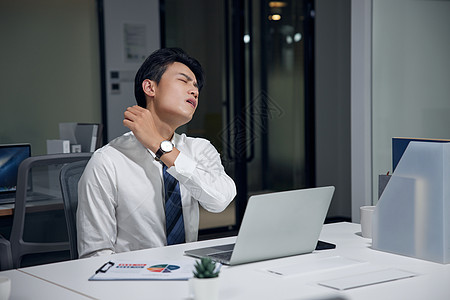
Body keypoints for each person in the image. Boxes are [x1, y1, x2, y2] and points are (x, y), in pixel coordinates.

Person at [77, 48, 236, 258]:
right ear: (150, 87)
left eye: (196, 86)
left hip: (187, 273)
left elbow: (219, 201)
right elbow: (95, 254)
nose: (194, 91)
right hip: (133, 281)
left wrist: (161, 147)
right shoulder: (108, 160)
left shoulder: (200, 149)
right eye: (184, 81)